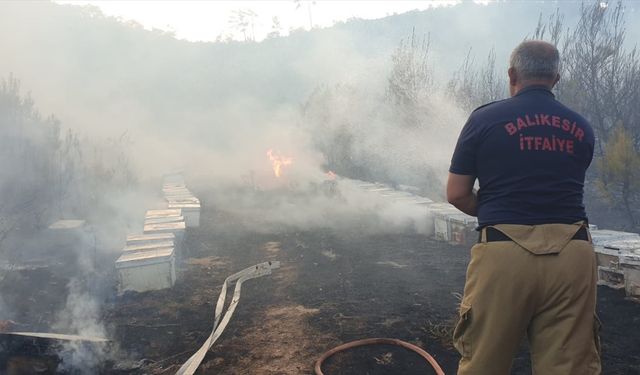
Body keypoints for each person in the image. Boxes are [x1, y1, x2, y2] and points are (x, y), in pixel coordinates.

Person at [447, 40, 601, 375]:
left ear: (512, 74)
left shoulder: (484, 119)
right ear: (555, 79)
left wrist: (497, 208)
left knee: (484, 362)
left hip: (504, 253)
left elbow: (457, 193)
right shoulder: (582, 128)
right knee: (570, 366)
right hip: (573, 254)